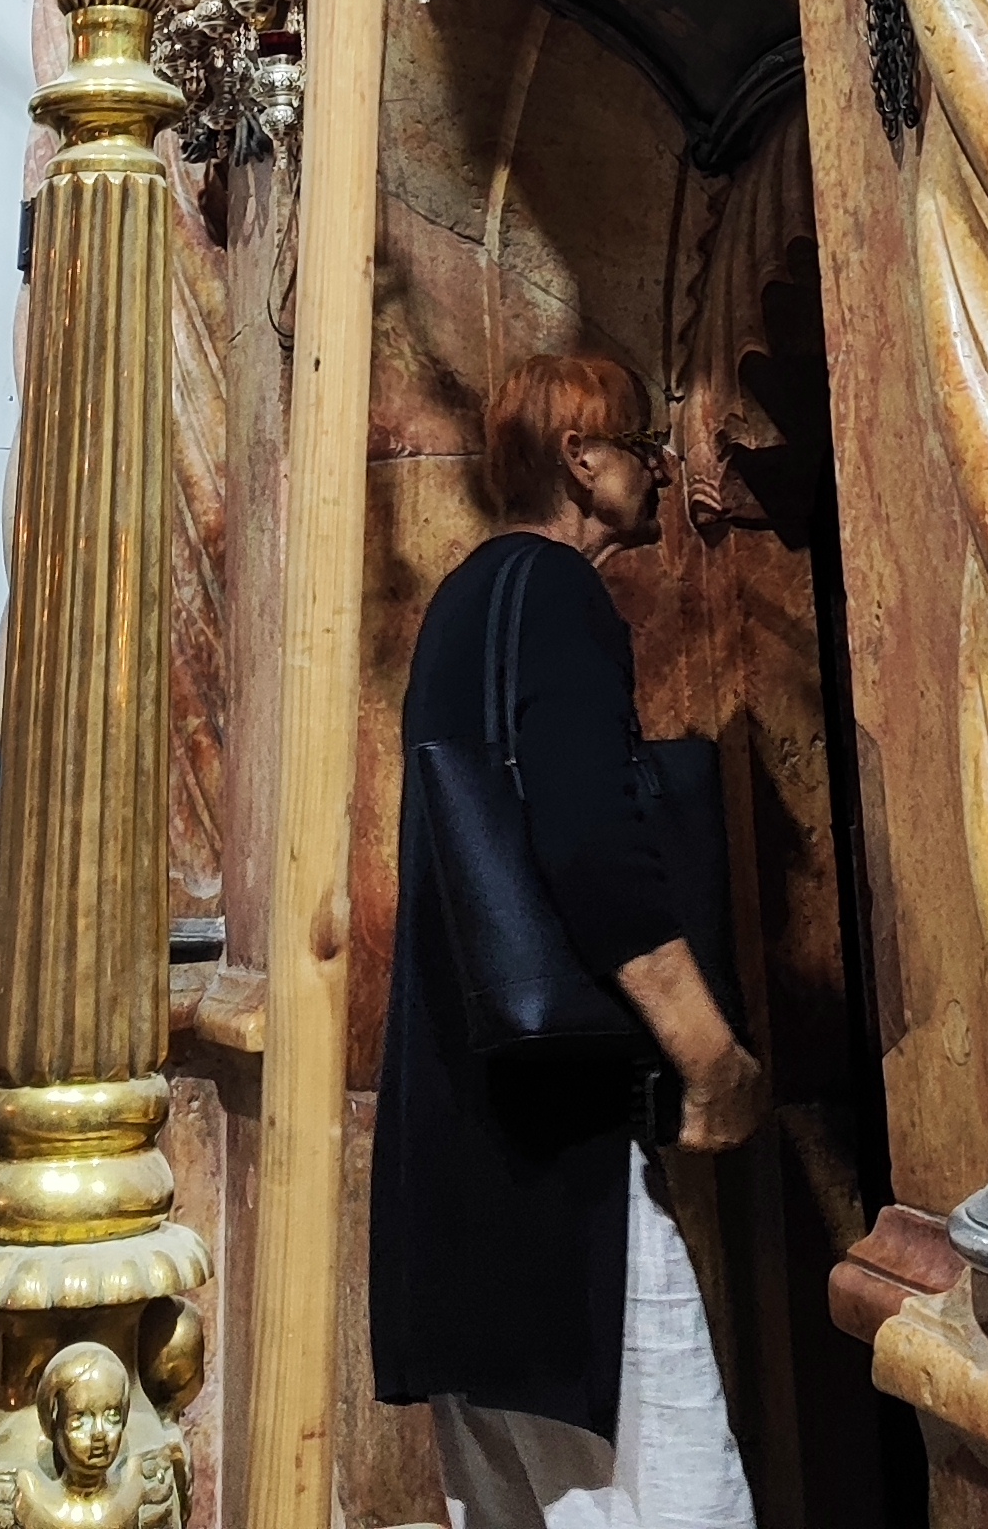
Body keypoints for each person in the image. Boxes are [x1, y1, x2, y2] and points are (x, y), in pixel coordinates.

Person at [372, 346, 765, 1529]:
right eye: (640, 447)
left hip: (459, 1160)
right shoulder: (555, 593)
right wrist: (712, 1058)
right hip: (561, 1175)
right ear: (580, 458)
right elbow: (595, 853)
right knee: (678, 1501)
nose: (659, 471)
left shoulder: (461, 603)